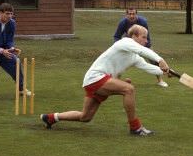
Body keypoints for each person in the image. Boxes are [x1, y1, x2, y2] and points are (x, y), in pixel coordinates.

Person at [40, 24, 170, 136]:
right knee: (128, 89)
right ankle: (136, 128)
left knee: (85, 117)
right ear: (134, 36)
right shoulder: (125, 42)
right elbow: (143, 50)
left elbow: (148, 67)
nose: (146, 40)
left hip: (95, 81)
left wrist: (165, 71)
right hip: (95, 77)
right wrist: (160, 60)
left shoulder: (134, 57)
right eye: (144, 37)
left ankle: (51, 117)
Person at [113, 7, 168, 88]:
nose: (131, 16)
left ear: (136, 14)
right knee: (120, 61)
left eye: (133, 14)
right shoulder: (123, 22)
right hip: (128, 44)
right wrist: (119, 46)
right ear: (126, 15)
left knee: (153, 60)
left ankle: (160, 80)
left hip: (142, 43)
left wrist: (147, 48)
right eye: (129, 14)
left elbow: (147, 37)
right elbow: (116, 36)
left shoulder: (143, 21)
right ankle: (116, 81)